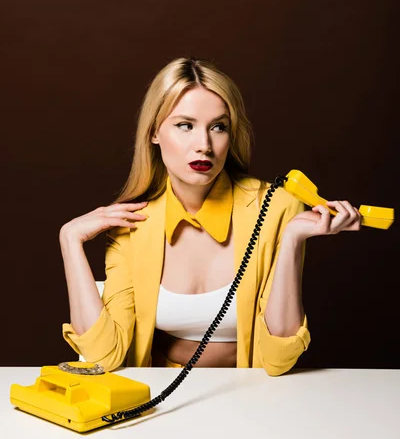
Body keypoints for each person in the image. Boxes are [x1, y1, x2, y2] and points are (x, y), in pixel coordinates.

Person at [60, 56, 361, 375]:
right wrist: (70, 241)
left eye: (218, 127)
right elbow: (103, 356)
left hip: (251, 396)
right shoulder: (133, 225)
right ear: (154, 133)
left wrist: (291, 240)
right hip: (163, 399)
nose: (203, 145)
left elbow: (278, 359)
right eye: (185, 125)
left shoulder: (275, 207)